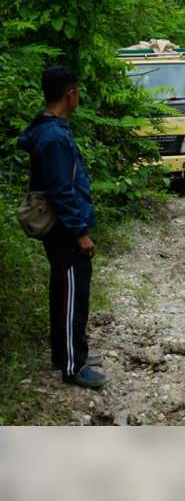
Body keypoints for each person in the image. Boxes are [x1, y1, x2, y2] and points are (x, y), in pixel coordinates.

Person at [17, 66, 107, 389]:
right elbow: (61, 191)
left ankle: (65, 353)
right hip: (64, 229)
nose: (78, 96)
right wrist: (80, 232)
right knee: (72, 292)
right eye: (77, 91)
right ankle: (73, 365)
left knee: (63, 289)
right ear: (70, 94)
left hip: (63, 226)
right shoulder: (54, 137)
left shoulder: (51, 128)